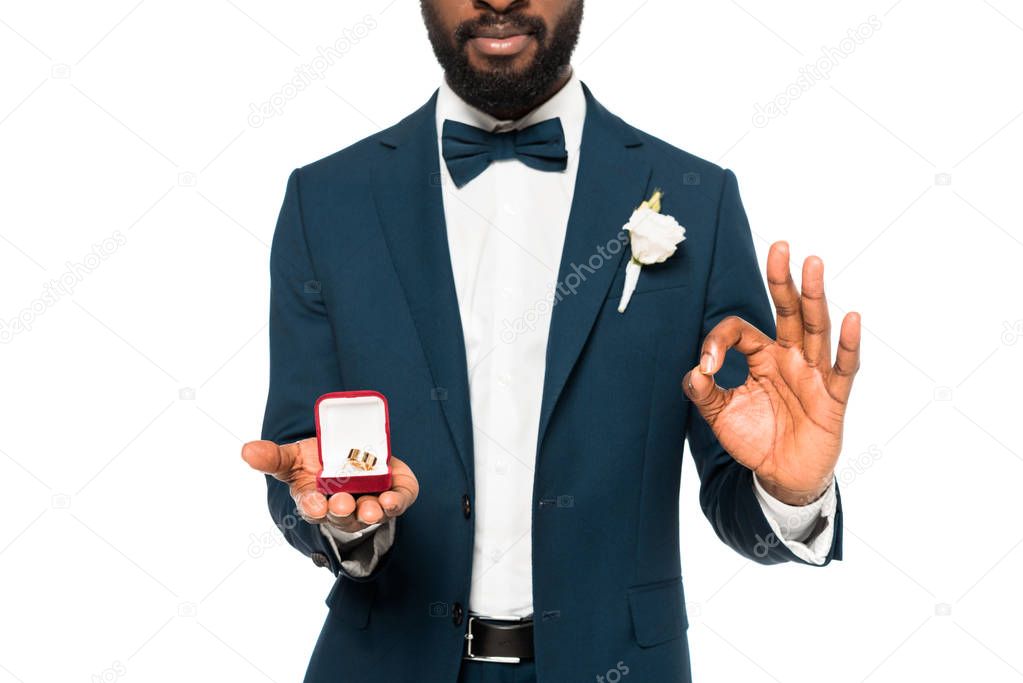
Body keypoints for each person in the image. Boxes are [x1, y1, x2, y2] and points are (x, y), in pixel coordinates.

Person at [241, 1, 862, 681]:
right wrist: (340, 518)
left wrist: (791, 491)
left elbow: (734, 489)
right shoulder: (325, 199)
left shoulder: (696, 198)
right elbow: (297, 459)